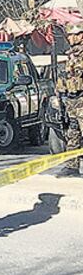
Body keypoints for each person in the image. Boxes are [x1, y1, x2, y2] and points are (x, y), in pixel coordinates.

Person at [57, 22, 83, 177]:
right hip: (72, 99)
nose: (70, 38)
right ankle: (72, 165)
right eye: (69, 35)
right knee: (72, 132)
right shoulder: (71, 54)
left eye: (73, 35)